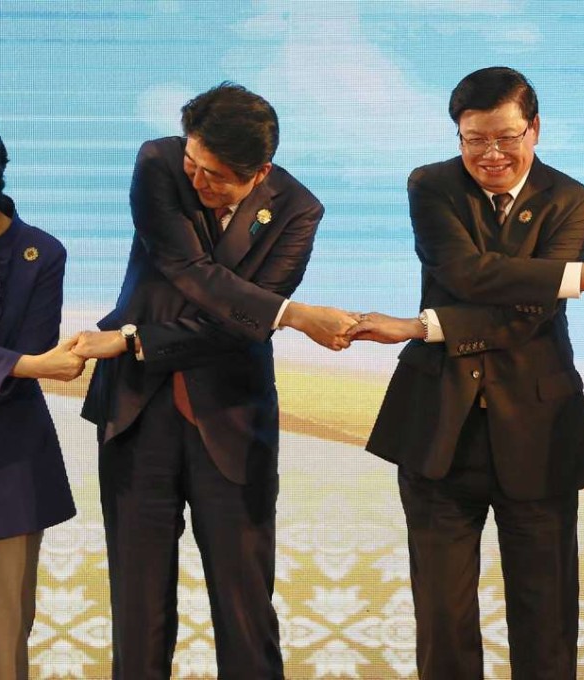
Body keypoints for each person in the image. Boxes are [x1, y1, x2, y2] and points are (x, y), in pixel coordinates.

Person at [348, 66, 584, 679]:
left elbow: (528, 312)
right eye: (474, 139)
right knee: (442, 620)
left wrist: (421, 326)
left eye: (506, 137)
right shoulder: (431, 186)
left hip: (539, 426)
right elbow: (466, 275)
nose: (491, 155)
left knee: (546, 621)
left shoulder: (574, 200)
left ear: (534, 129)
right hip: (438, 428)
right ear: (457, 136)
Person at [76, 83, 355, 679]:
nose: (199, 182)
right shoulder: (157, 163)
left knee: (245, 604)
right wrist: (291, 315)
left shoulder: (299, 210)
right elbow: (188, 269)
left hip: (233, 416)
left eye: (218, 177)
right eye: (194, 165)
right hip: (137, 411)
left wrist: (134, 338)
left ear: (261, 173)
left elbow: (237, 328)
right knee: (138, 606)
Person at [0, 126, 84, 680]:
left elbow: (33, 348)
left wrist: (20, 364)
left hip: (8, 463)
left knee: (3, 633)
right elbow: (33, 363)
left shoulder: (40, 252)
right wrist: (24, 365)